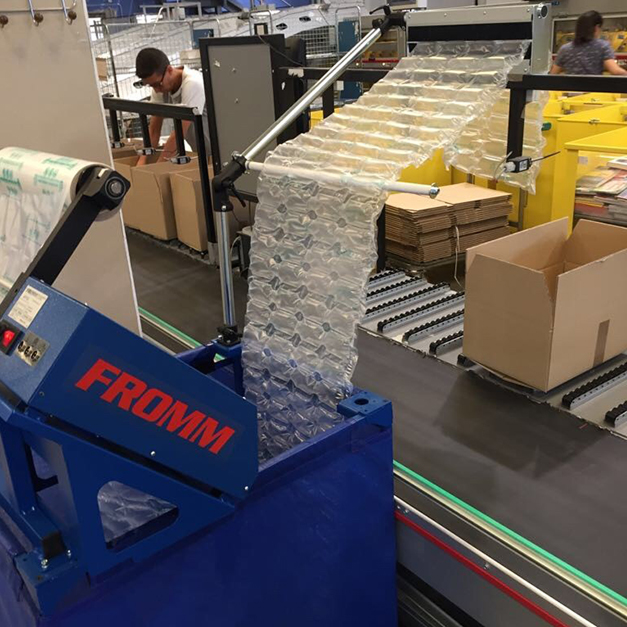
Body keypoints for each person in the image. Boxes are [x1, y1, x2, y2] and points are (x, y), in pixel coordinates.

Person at [134, 48, 211, 164]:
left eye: (157, 84)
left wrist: (158, 167)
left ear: (170, 70)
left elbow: (180, 132)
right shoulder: (160, 87)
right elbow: (154, 131)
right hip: (203, 154)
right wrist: (142, 161)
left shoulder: (193, 83)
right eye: (151, 86)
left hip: (222, 151)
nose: (156, 90)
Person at [551, 11, 627, 76]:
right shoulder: (602, 46)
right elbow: (615, 71)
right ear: (596, 27)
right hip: (594, 88)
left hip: (570, 88)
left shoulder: (565, 49)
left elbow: (553, 73)